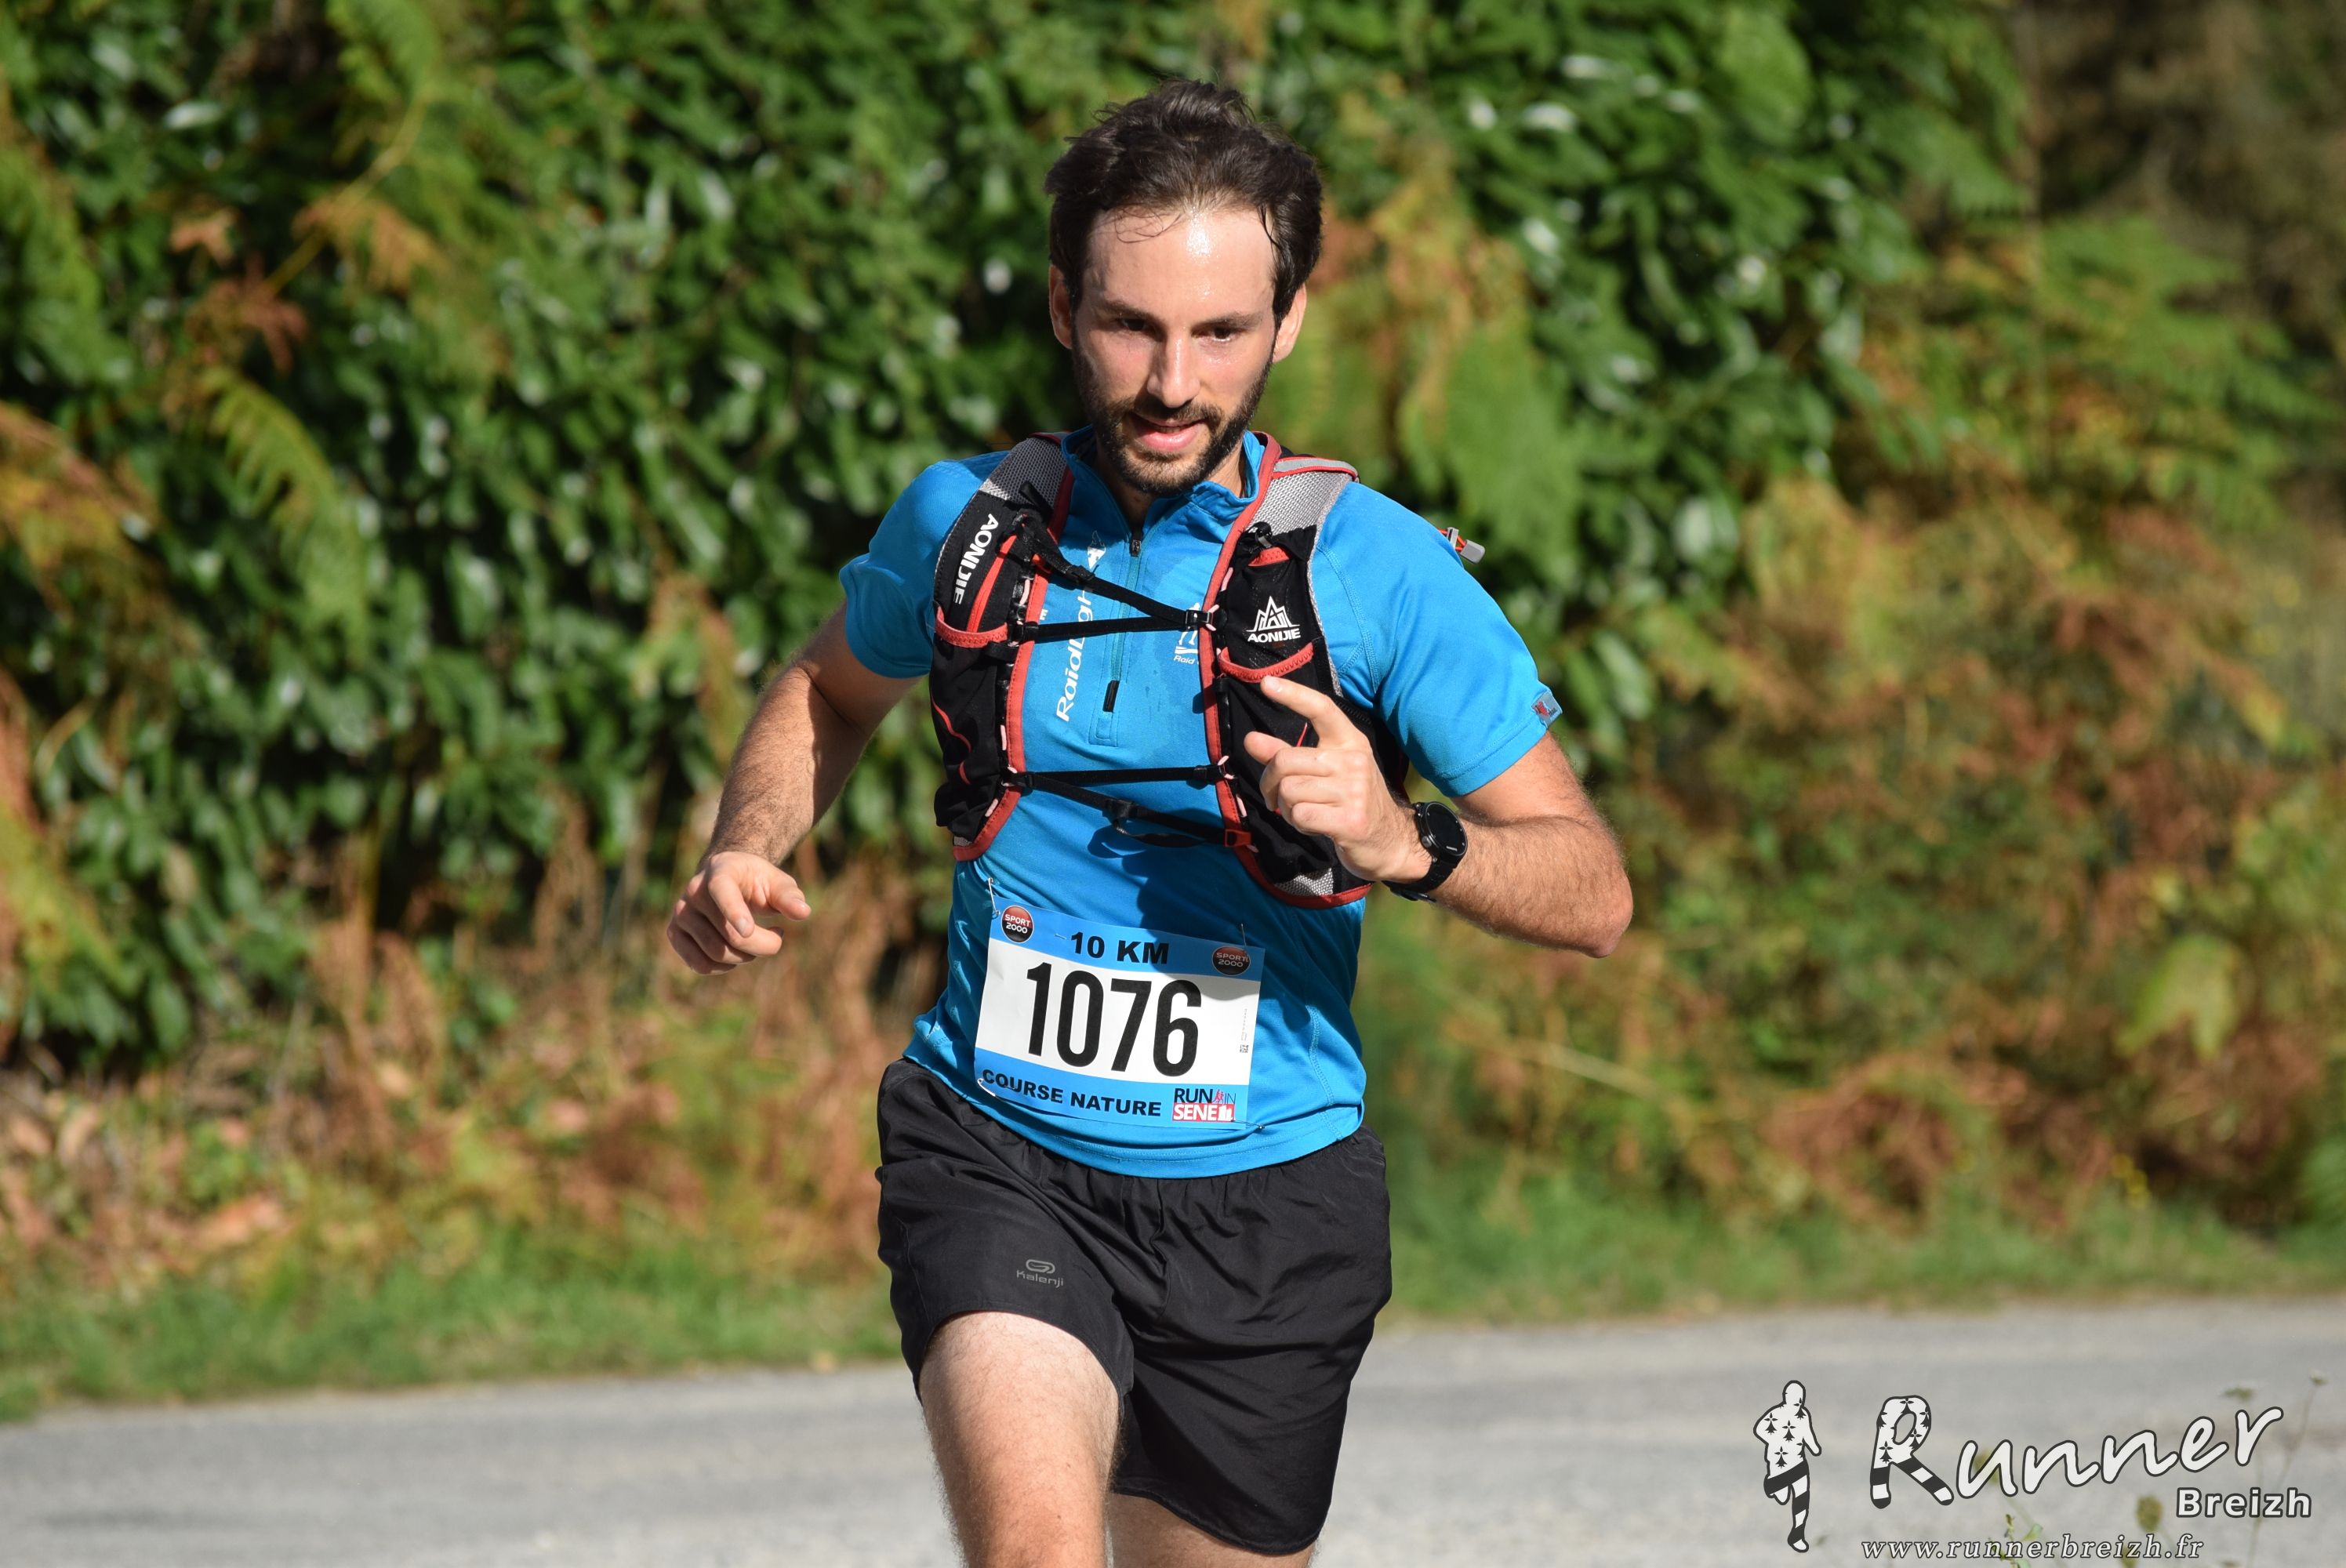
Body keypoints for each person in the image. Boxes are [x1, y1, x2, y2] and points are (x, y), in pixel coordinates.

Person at [666, 78, 1633, 1568]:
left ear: (1289, 322)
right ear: (1064, 306)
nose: (1173, 382)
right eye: (1131, 327)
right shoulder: (967, 526)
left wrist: (1404, 841)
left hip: (1267, 1204)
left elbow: (1595, 892)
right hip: (997, 1148)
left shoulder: (1379, 575)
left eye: (1221, 333)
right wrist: (750, 841)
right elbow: (827, 686)